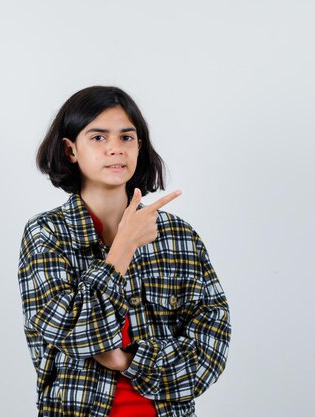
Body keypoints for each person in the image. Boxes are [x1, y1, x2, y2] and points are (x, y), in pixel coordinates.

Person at [17, 86, 231, 417]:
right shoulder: (47, 234)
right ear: (70, 150)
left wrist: (128, 361)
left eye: (126, 138)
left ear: (139, 147)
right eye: (98, 138)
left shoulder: (178, 235)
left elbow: (210, 350)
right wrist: (124, 245)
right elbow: (73, 333)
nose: (115, 149)